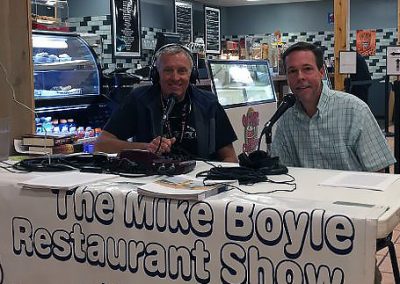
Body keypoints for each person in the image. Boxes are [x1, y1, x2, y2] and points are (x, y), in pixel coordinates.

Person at [271, 42, 395, 284]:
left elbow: (379, 174)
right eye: (293, 71)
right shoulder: (285, 118)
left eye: (307, 69)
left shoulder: (353, 110)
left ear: (321, 71)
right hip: (304, 219)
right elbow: (284, 174)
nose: (300, 77)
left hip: (353, 218)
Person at [95, 44, 238, 163]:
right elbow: (101, 144)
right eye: (168, 71)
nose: (175, 78)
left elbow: (230, 157)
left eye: (182, 71)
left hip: (200, 182)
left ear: (192, 75)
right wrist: (146, 148)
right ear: (156, 74)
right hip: (150, 183)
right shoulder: (139, 99)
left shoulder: (208, 103)